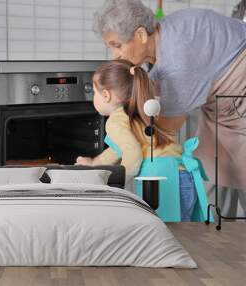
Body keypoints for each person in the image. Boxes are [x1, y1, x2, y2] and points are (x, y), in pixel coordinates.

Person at [93, 0, 246, 217]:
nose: (114, 55)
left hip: (239, 95)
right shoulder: (162, 37)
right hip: (221, 103)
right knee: (212, 166)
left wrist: (116, 137)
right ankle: (216, 233)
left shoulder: (177, 59)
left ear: (141, 35)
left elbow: (163, 130)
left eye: (117, 45)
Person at [76, 60, 209, 222]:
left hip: (163, 182)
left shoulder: (116, 121)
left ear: (106, 95)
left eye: (94, 93)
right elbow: (118, 149)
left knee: (164, 236)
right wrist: (94, 165)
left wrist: (118, 184)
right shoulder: (140, 110)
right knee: (181, 235)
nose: (93, 98)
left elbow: (133, 154)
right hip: (183, 175)